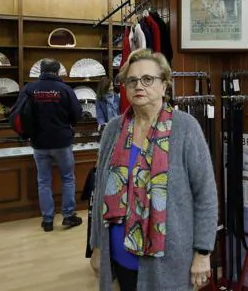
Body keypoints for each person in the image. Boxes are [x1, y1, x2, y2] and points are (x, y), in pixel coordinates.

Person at [89, 48, 218, 291]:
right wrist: (96, 246)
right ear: (125, 87)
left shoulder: (185, 128)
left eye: (148, 79)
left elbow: (206, 195)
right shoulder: (113, 131)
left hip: (169, 261)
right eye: (132, 80)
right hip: (119, 257)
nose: (139, 86)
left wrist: (203, 252)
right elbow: (100, 195)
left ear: (164, 86)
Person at [17, 58, 83, 232]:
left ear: (41, 70)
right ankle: (68, 216)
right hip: (62, 141)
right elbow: (77, 114)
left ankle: (47, 220)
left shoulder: (29, 89)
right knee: (68, 178)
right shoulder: (65, 89)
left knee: (43, 181)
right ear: (58, 70)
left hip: (39, 143)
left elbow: (18, 113)